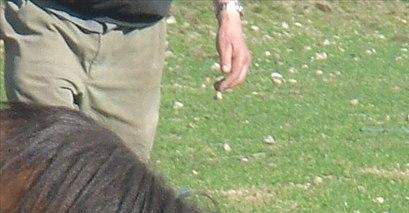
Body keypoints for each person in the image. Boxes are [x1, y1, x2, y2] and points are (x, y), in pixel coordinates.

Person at [0, 0, 251, 160]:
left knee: (120, 182)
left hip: (137, 34)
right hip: (46, 18)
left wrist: (229, 12)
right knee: (47, 158)